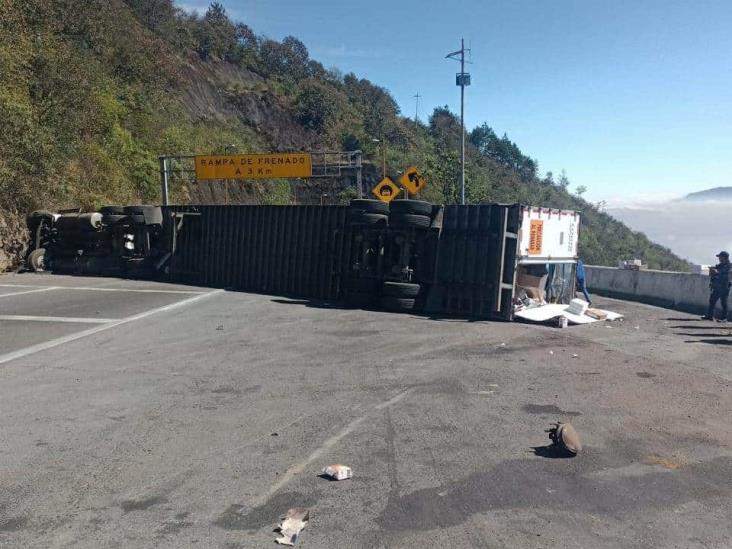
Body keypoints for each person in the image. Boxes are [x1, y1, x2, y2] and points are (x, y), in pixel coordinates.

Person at [703, 251, 730, 322]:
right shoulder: (720, 265)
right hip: (717, 286)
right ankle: (710, 316)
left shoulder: (729, 266)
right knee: (712, 300)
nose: (719, 258)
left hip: (724, 287)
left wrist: (717, 272)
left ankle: (724, 318)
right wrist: (712, 271)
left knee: (723, 303)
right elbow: (715, 274)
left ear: (724, 257)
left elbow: (727, 276)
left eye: (720, 257)